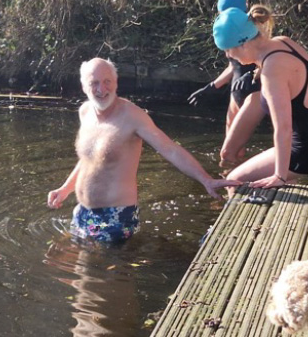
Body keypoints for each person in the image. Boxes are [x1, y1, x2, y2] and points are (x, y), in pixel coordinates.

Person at [47, 58, 241, 243]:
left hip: (116, 217)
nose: (102, 89)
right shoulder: (85, 112)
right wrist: (65, 189)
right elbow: (88, 160)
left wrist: (206, 179)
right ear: (84, 86)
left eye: (107, 81)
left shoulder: (133, 116)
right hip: (83, 212)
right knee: (62, 260)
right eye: (94, 83)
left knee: (93, 266)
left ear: (116, 82)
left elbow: (170, 149)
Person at [211, 6, 308, 188]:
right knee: (275, 177)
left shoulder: (272, 70)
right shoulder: (284, 42)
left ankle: (276, 186)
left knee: (234, 181)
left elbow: (283, 128)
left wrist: (279, 175)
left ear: (243, 44)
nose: (228, 56)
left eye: (228, 50)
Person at [187, 0, 271, 167]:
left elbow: (268, 59)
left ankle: (236, 178)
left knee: (228, 152)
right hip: (237, 89)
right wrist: (212, 86)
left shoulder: (250, 31)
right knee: (233, 148)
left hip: (252, 90)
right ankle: (235, 176)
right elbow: (234, 65)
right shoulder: (230, 30)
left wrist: (253, 74)